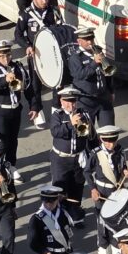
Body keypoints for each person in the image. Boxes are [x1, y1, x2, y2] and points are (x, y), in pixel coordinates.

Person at [14, 0, 62, 128]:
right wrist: (27, 46)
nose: (44, 1)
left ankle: (56, 108)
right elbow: (18, 35)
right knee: (35, 83)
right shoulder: (26, 14)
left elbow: (61, 29)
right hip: (35, 53)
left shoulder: (53, 11)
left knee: (57, 81)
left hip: (52, 53)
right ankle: (37, 110)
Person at [0, 40, 31, 173]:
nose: (6, 59)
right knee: (2, 142)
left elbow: (27, 86)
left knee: (13, 141)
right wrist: (5, 80)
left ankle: (11, 165)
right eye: (2, 56)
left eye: (8, 55)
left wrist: (34, 106)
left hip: (15, 109)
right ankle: (0, 169)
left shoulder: (18, 67)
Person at [85, 125, 128, 254]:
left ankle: (116, 246)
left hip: (116, 190)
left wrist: (125, 171)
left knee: (118, 220)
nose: (111, 144)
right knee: (102, 222)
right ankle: (103, 250)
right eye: (108, 141)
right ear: (101, 139)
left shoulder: (120, 150)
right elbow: (87, 172)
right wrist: (93, 189)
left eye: (114, 140)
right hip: (102, 191)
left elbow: (123, 165)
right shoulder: (96, 153)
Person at [48, 86, 93, 226]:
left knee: (77, 187)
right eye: (67, 101)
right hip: (61, 159)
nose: (71, 104)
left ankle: (75, 215)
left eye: (73, 101)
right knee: (60, 189)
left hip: (78, 158)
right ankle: (59, 217)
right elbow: (55, 132)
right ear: (61, 101)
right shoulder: (57, 115)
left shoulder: (83, 114)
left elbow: (91, 136)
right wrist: (70, 124)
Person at [70, 27, 115, 126]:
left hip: (103, 96)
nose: (90, 42)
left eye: (91, 38)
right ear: (79, 41)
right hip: (86, 100)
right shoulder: (76, 57)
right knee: (87, 130)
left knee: (108, 128)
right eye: (86, 39)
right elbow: (80, 75)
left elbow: (107, 73)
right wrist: (94, 63)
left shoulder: (98, 50)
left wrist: (111, 91)